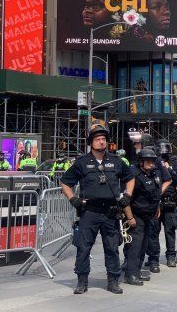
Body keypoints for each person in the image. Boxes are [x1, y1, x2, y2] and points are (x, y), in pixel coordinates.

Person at [60, 124, 135, 295]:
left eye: (103, 139)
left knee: (112, 247)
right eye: (97, 139)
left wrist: (128, 196)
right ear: (91, 142)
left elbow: (130, 178)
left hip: (110, 212)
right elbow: (64, 182)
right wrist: (73, 199)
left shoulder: (116, 161)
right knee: (83, 247)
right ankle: (82, 281)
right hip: (90, 212)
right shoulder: (82, 162)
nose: (101, 142)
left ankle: (113, 280)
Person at [124, 147, 162, 286]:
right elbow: (126, 199)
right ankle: (131, 274)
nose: (152, 164)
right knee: (135, 246)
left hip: (149, 216)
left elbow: (155, 194)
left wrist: (157, 206)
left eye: (153, 161)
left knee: (144, 245)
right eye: (149, 161)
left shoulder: (154, 174)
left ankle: (137, 271)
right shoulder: (134, 175)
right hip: (136, 216)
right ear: (141, 162)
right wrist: (130, 217)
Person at [147, 140, 177, 270]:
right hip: (155, 202)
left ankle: (171, 257)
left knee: (170, 231)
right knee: (153, 232)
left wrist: (169, 169)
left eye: (164, 154)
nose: (162, 156)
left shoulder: (173, 162)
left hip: (169, 201)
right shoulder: (152, 162)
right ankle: (153, 258)